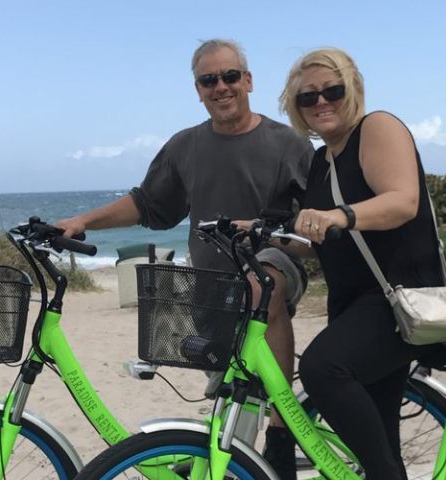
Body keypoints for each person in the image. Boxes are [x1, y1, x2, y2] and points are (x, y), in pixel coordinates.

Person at [56, 39, 312, 479]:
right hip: (214, 292)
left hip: (276, 268)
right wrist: (83, 220)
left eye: (230, 76)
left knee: (259, 286)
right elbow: (146, 204)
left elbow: (315, 226)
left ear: (248, 80)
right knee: (230, 410)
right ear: (197, 90)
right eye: (209, 80)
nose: (221, 87)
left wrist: (283, 237)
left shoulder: (289, 145)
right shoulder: (185, 147)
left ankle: (283, 432)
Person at [279, 48, 446, 479]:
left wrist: (338, 215)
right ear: (296, 107)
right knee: (380, 436)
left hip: (400, 298)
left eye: (332, 90)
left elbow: (402, 202)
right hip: (356, 305)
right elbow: (327, 239)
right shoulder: (322, 159)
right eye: (308, 97)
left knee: (322, 369)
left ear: (352, 88)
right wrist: (270, 235)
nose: (321, 102)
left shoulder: (378, 127)